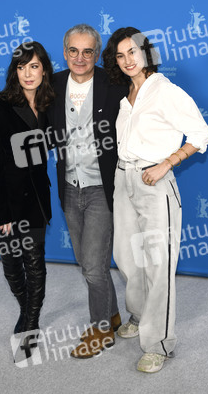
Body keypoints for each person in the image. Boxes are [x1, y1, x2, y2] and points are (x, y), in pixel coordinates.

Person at [102, 27, 208, 372]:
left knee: (157, 263)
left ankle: (159, 343)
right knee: (127, 256)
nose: (127, 60)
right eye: (120, 56)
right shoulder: (126, 95)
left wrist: (167, 163)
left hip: (154, 181)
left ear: (146, 52)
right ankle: (138, 314)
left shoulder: (166, 92)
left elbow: (201, 135)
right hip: (124, 178)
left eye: (132, 52)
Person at [47, 24, 129, 358]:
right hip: (69, 186)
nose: (80, 58)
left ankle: (100, 330)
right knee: (86, 262)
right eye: (73, 51)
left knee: (94, 267)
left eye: (88, 51)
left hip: (101, 189)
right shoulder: (52, 85)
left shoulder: (115, 84)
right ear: (64, 51)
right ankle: (112, 313)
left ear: (97, 53)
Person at [0, 41, 54, 356]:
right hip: (4, 202)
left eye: (34, 66)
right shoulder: (0, 109)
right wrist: (2, 214)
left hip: (35, 200)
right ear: (14, 71)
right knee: (12, 266)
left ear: (43, 70)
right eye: (21, 67)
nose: (28, 73)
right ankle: (25, 308)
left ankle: (31, 322)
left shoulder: (49, 105)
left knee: (35, 263)